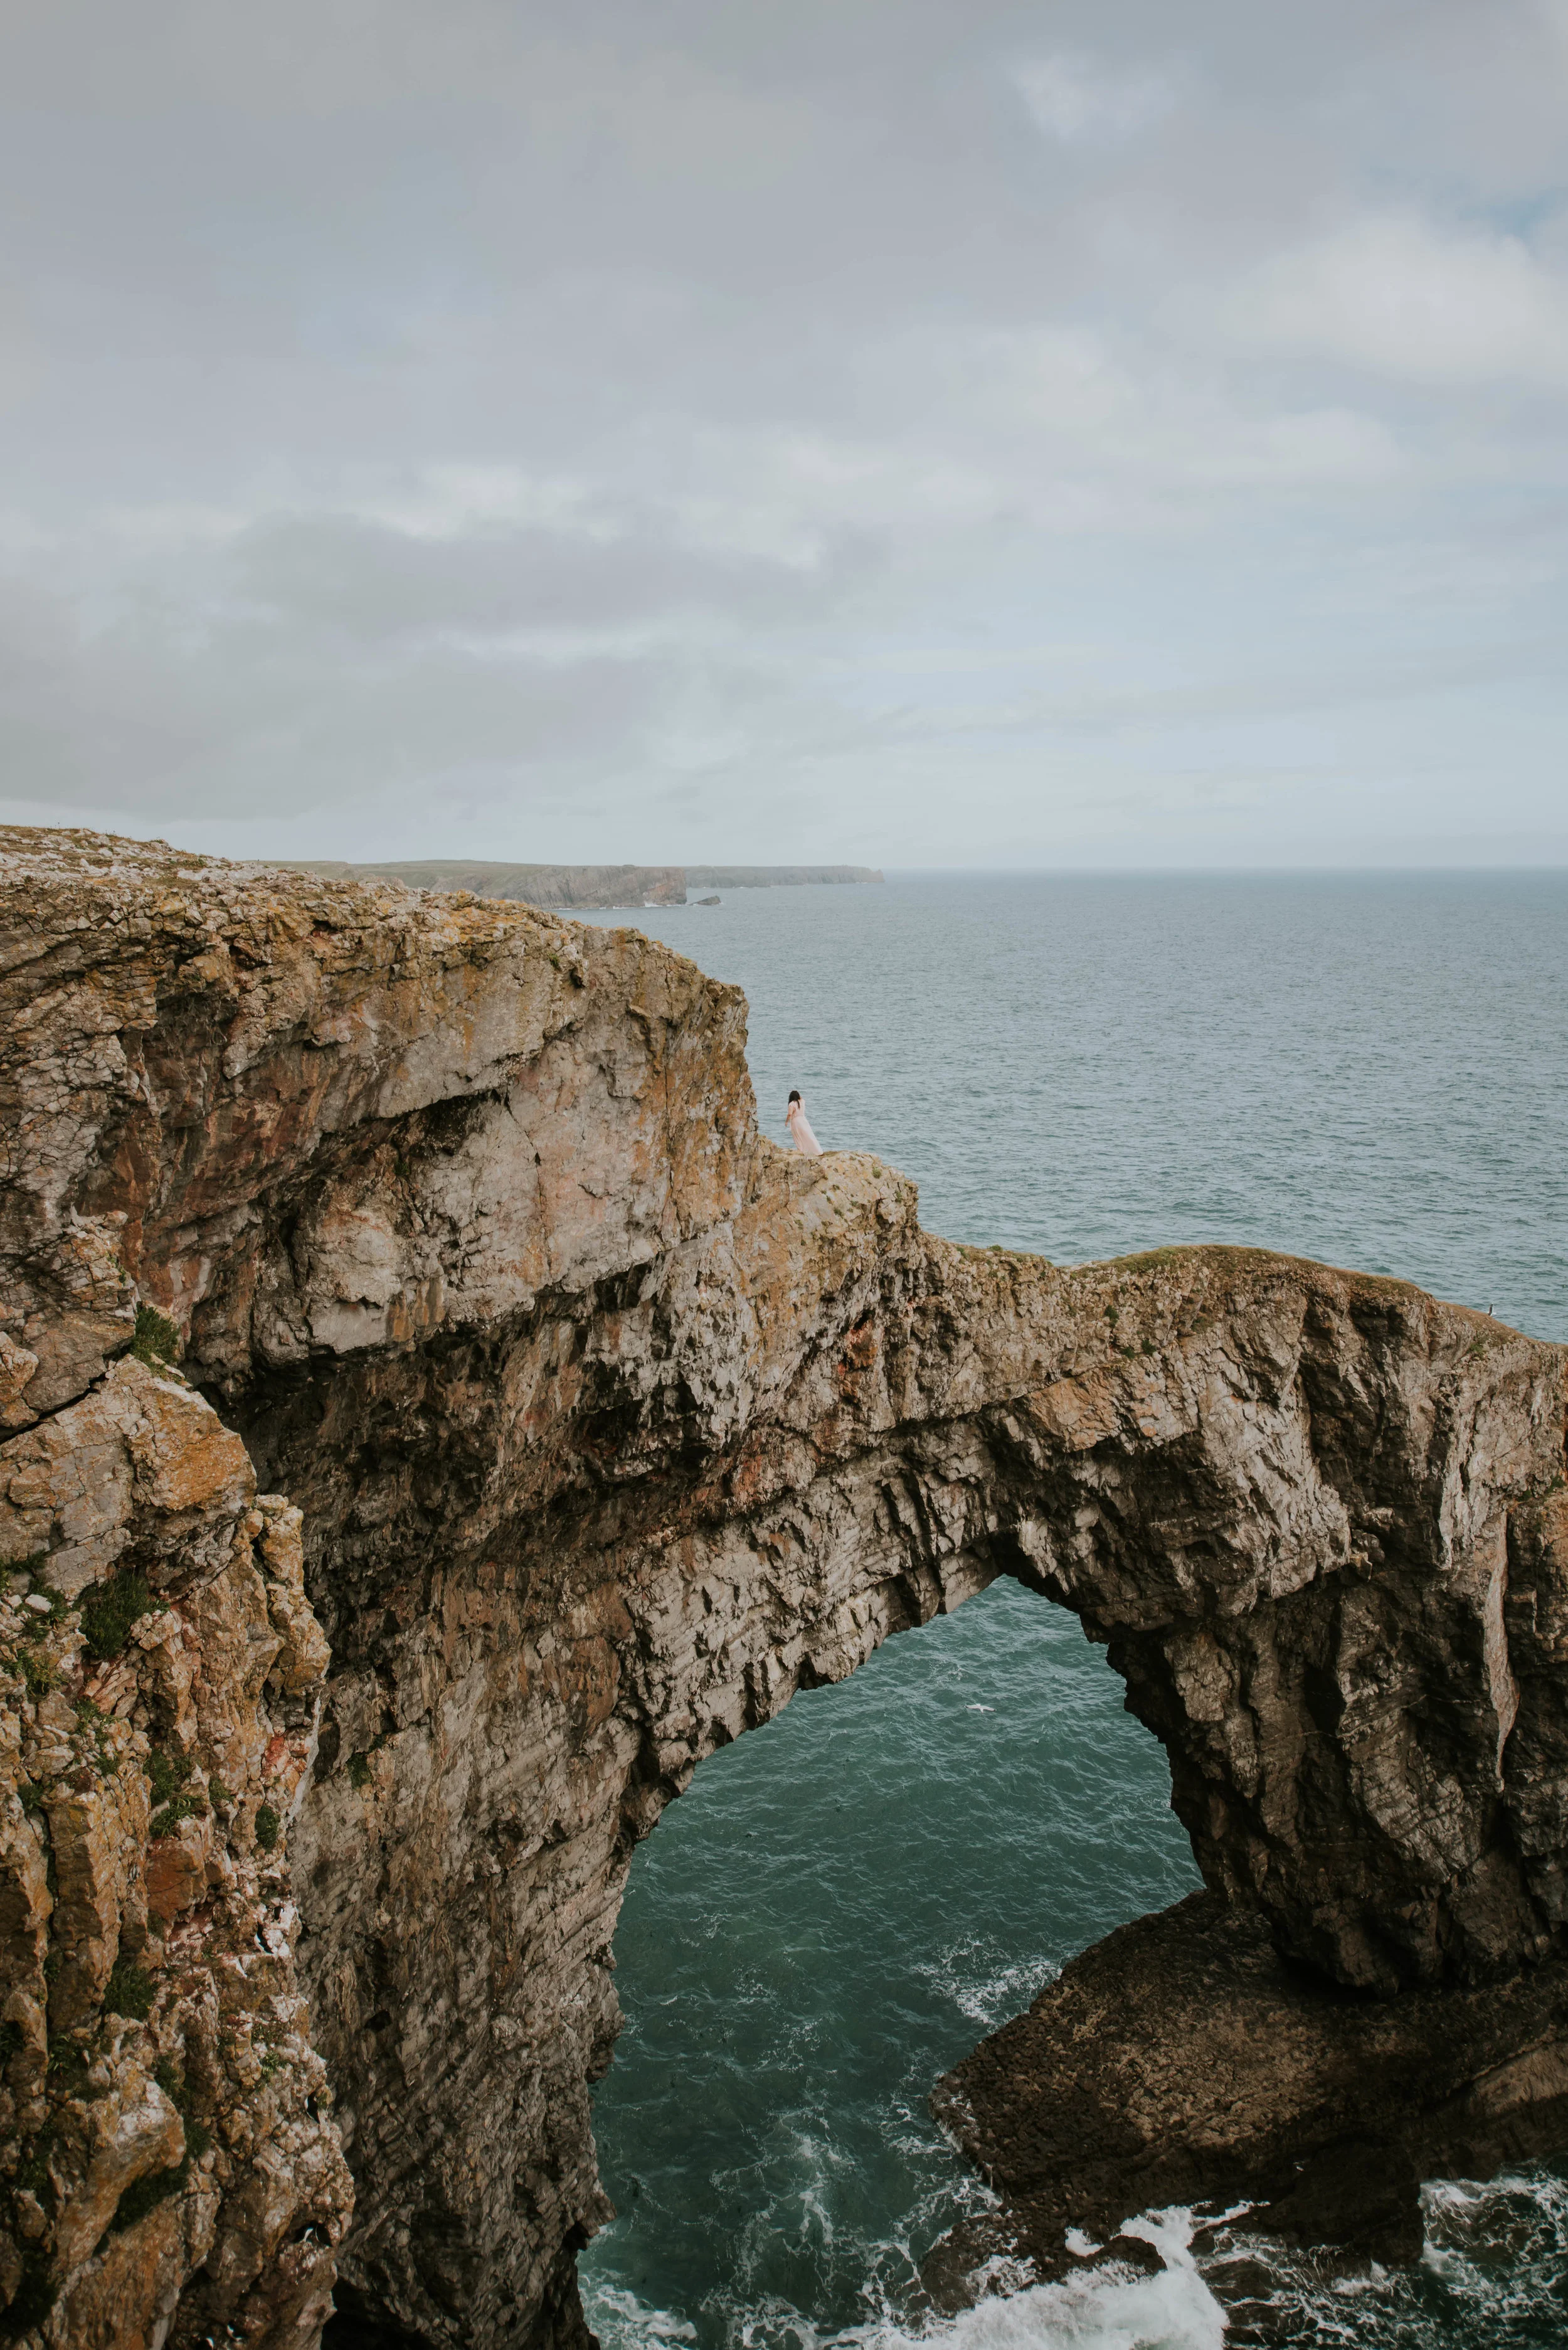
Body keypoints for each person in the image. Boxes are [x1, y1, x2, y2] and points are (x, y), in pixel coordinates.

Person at [785, 1089, 823, 1156]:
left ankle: (801, 1150)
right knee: (808, 1135)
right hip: (803, 1120)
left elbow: (789, 1114)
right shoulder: (802, 1101)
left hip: (796, 1121)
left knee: (797, 1136)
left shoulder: (792, 1104)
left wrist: (786, 1122)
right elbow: (801, 1098)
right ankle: (817, 1150)